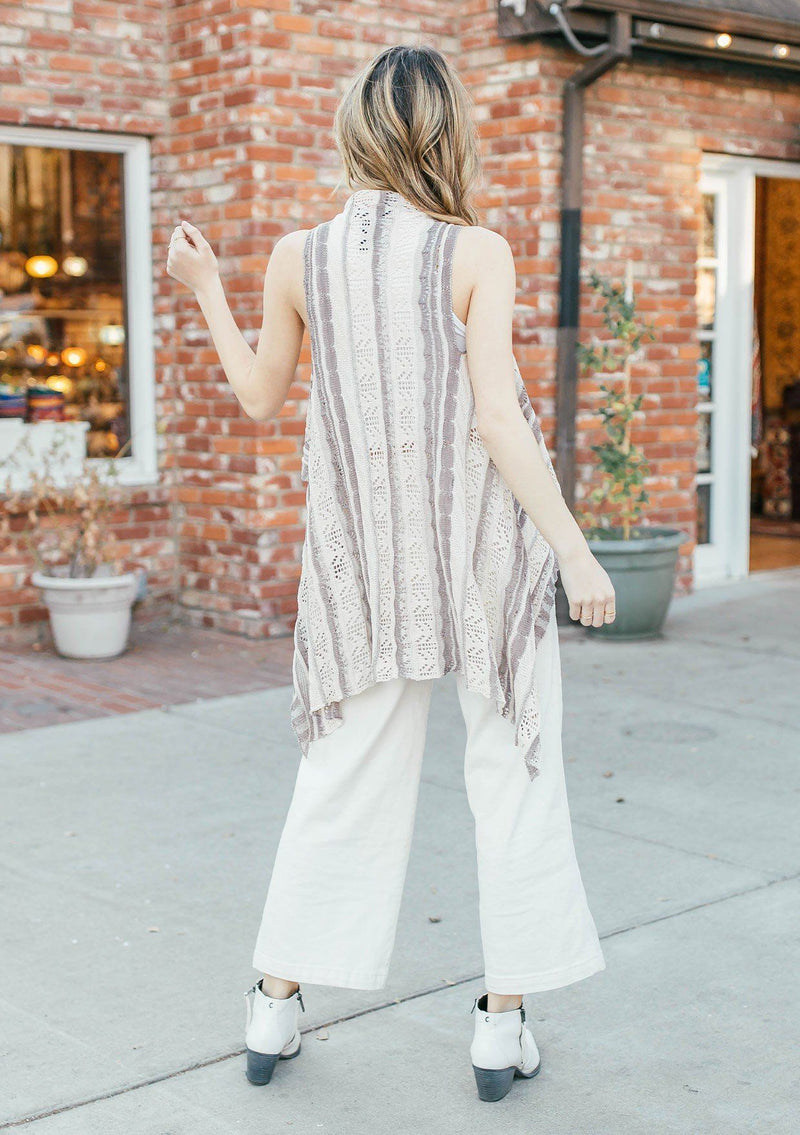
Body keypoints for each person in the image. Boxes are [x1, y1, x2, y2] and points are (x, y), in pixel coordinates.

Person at [166, 43, 615, 1105]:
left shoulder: (295, 256)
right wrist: (573, 548)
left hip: (362, 564)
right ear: (444, 130)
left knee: (340, 780)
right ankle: (501, 1026)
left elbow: (259, 396)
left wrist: (204, 290)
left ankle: (274, 1000)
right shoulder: (474, 251)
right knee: (514, 774)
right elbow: (497, 420)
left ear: (354, 126)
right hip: (479, 556)